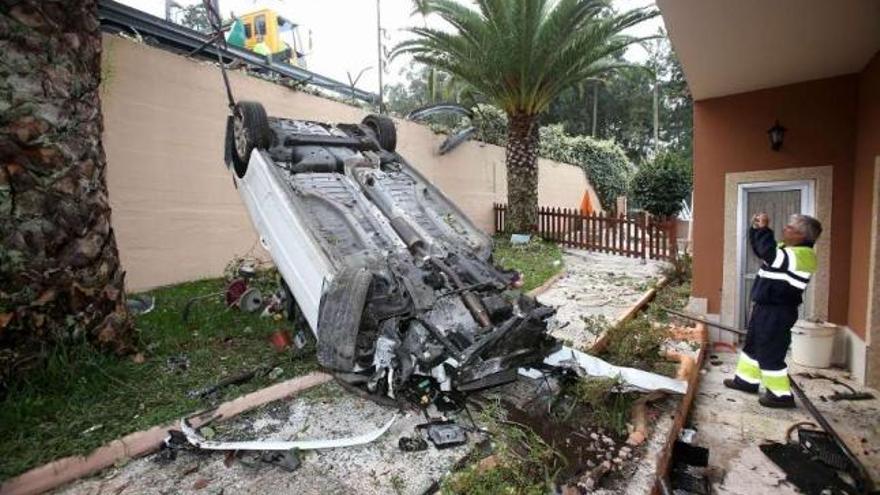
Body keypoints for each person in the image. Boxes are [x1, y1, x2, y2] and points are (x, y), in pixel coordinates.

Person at [724, 212, 822, 408]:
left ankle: (780, 395)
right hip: (766, 307)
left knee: (770, 351)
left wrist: (764, 229)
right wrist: (755, 230)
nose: (785, 229)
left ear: (801, 236)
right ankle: (746, 381)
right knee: (752, 345)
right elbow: (762, 249)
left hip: (778, 311)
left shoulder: (804, 256)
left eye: (790, 228)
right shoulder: (786, 249)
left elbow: (770, 254)